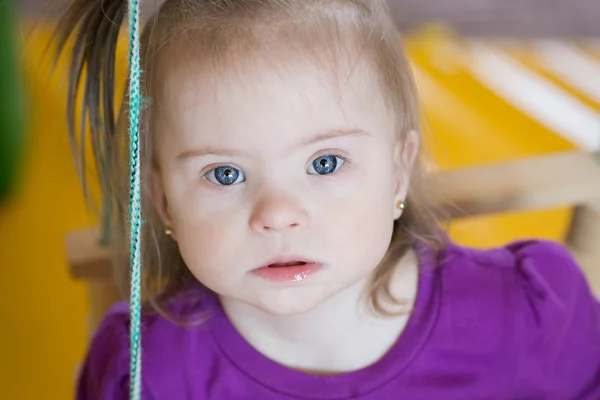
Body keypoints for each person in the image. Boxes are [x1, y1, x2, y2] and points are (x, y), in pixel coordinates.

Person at [53, 0, 600, 398]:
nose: (278, 215)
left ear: (397, 173)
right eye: (223, 174)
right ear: (165, 200)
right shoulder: (152, 373)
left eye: (325, 163)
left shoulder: (518, 318)